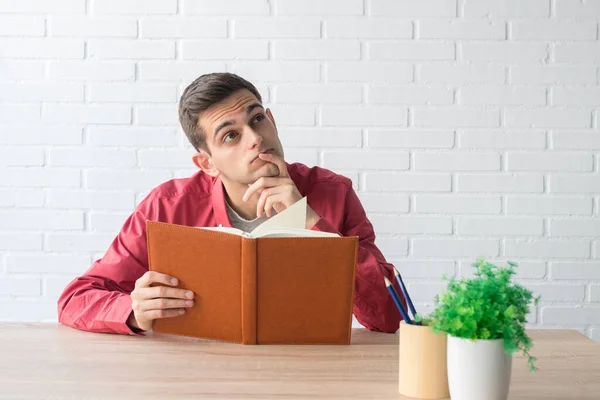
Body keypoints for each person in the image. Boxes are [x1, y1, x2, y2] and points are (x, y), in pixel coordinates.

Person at [57, 72, 405, 335]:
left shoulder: (333, 193)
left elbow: (391, 317)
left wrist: (312, 224)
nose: (256, 139)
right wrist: (132, 310)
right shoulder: (165, 207)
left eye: (257, 119)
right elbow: (75, 299)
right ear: (207, 163)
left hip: (308, 370)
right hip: (199, 373)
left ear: (272, 119)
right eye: (230, 136)